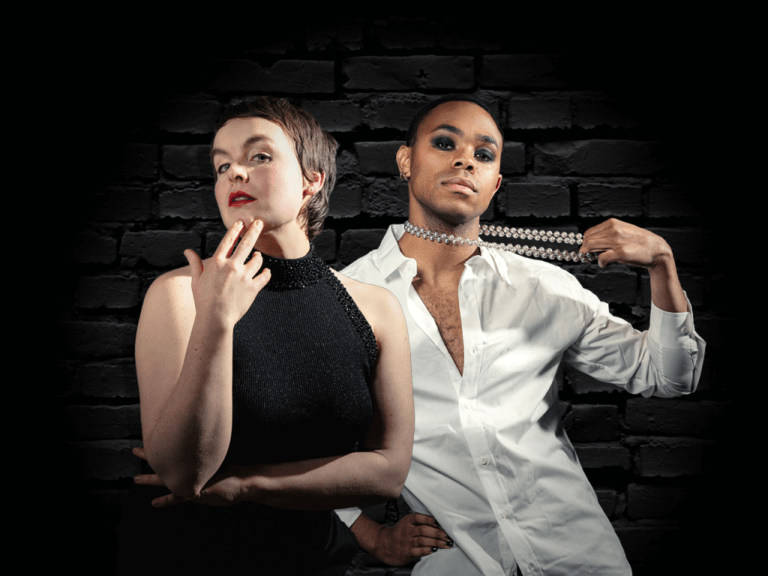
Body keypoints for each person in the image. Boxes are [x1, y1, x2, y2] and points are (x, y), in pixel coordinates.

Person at [335, 95, 705, 575]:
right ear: (406, 161)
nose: (465, 159)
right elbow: (295, 442)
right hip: (460, 564)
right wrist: (371, 537)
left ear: (495, 185)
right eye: (445, 143)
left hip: (582, 559)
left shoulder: (541, 287)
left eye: (484, 155)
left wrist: (662, 263)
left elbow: (670, 377)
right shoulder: (347, 297)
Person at [116, 97, 414, 576]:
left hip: (311, 560)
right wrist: (216, 318)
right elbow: (183, 474)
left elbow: (388, 472)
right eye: (221, 165)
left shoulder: (374, 307)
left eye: (259, 157)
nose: (235, 173)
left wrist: (246, 484)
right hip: (185, 558)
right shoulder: (178, 294)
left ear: (312, 180)